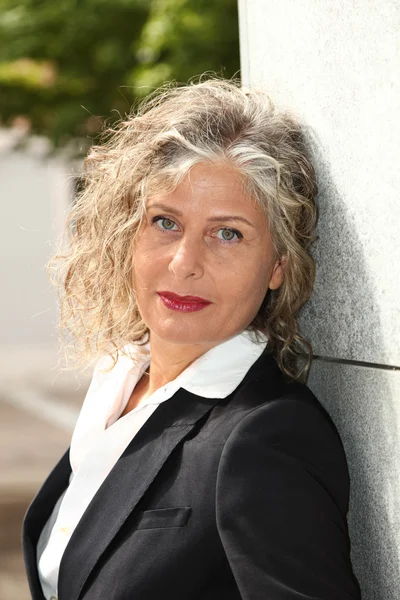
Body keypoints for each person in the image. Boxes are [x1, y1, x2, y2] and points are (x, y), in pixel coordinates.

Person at [22, 78, 362, 600]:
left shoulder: (267, 436)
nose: (184, 264)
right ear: (127, 233)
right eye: (165, 222)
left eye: (228, 233)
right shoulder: (116, 380)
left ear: (278, 265)